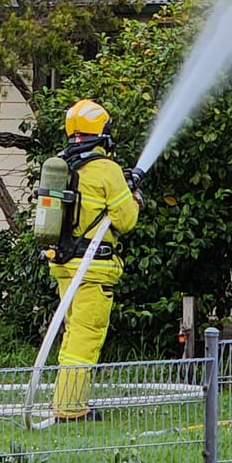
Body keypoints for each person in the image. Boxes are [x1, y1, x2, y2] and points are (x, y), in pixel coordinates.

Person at [47, 99, 141, 422]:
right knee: (85, 339)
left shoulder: (63, 165)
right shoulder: (106, 170)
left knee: (74, 334)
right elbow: (126, 221)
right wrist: (136, 200)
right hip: (92, 267)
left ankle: (63, 402)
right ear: (101, 132)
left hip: (64, 265)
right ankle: (70, 409)